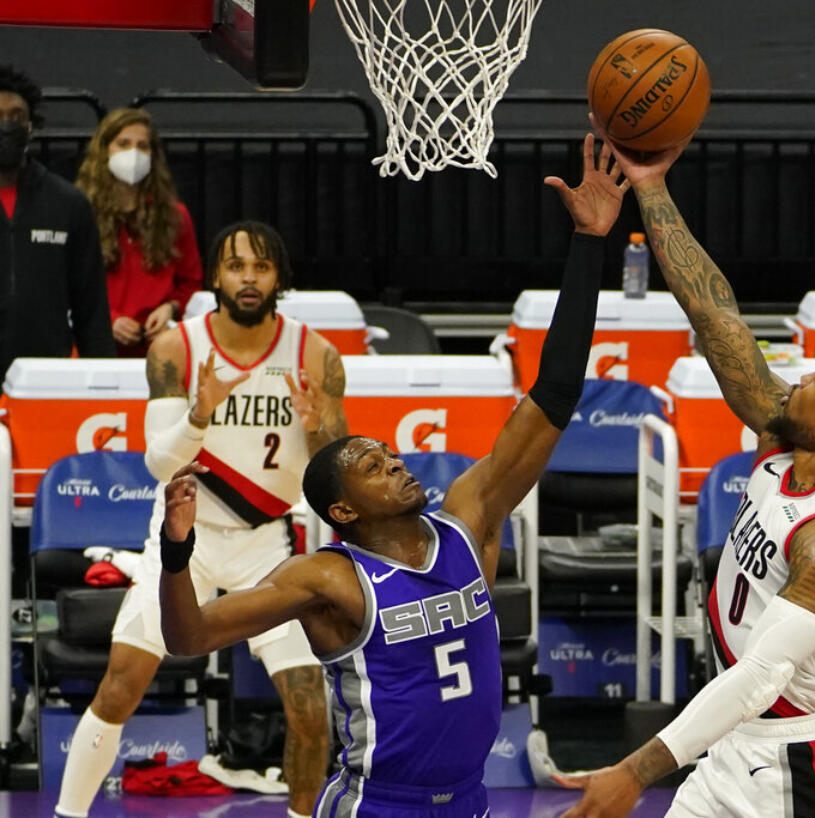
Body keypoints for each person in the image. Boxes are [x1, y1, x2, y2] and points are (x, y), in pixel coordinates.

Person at [155, 134, 627, 817]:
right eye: (372, 466)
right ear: (342, 511)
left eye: (391, 454)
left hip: (468, 802)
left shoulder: (470, 520)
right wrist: (177, 553)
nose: (396, 463)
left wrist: (589, 245)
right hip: (376, 805)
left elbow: (554, 394)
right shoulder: (326, 579)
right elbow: (189, 638)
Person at [557, 132, 815, 818]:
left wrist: (634, 772)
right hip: (731, 740)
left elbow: (761, 675)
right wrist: (651, 187)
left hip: (797, 763)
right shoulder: (787, 430)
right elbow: (714, 313)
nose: (802, 376)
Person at [55, 220, 348, 818]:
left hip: (267, 547)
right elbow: (161, 464)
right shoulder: (175, 350)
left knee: (309, 706)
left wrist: (319, 425)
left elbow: (336, 472)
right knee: (120, 684)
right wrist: (199, 414)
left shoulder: (316, 354)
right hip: (184, 543)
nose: (248, 278)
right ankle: (66, 816)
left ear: (277, 278)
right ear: (215, 274)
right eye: (236, 266)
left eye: (261, 268)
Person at [0, 64, 112, 380]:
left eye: (16, 116)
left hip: (44, 376)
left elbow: (91, 309)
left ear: (31, 126)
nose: (6, 125)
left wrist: (103, 382)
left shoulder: (68, 203)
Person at [76, 107, 202, 357]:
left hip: (156, 348)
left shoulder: (175, 215)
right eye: (123, 143)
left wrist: (171, 309)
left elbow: (191, 282)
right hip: (95, 346)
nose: (133, 153)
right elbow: (67, 285)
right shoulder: (79, 212)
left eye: (142, 146)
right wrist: (108, 319)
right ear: (104, 150)